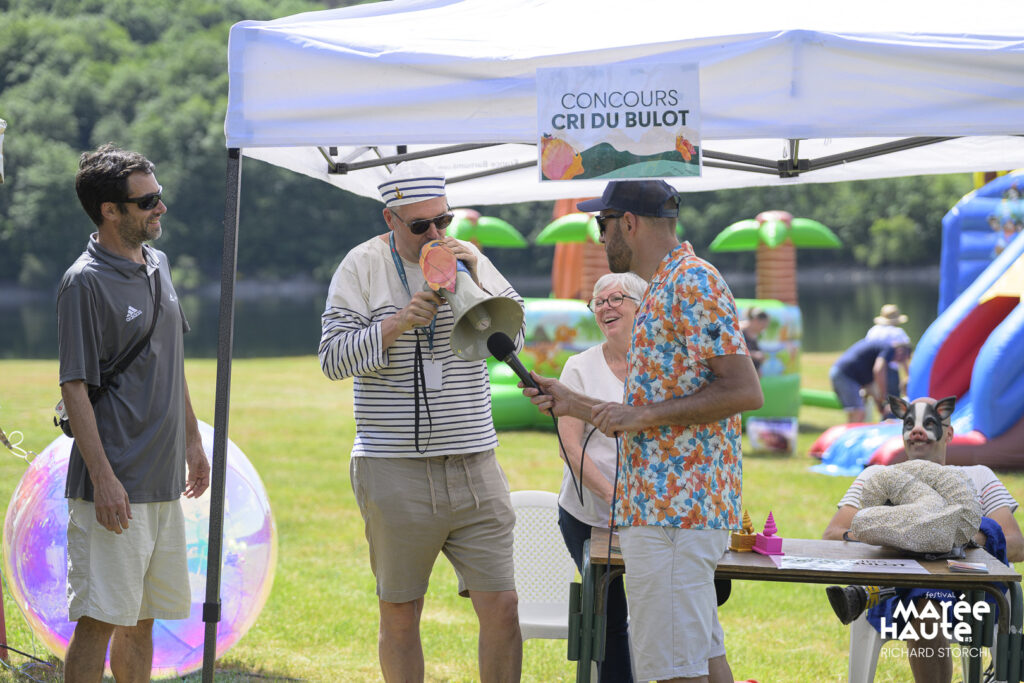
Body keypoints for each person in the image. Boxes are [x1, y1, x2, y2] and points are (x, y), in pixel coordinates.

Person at [523, 179, 764, 683]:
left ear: (628, 223)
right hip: (666, 512)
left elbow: (744, 390)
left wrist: (638, 417)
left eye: (602, 224)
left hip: (674, 514)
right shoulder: (662, 286)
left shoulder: (690, 282)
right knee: (702, 658)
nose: (600, 237)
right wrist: (574, 403)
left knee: (676, 670)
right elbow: (650, 407)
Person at [318, 160, 525, 682]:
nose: (435, 234)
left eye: (443, 220)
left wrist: (477, 276)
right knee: (401, 610)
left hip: (475, 459)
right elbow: (333, 360)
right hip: (394, 465)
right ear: (390, 220)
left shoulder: (468, 255)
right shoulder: (360, 265)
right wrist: (395, 324)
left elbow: (515, 335)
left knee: (503, 606)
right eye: (420, 225)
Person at [57, 144, 210, 682]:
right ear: (110, 210)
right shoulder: (83, 281)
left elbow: (170, 359)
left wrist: (193, 442)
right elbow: (74, 386)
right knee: (100, 620)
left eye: (158, 196)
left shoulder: (158, 265)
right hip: (116, 482)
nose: (160, 207)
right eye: (147, 201)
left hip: (163, 480)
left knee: (143, 621)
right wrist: (103, 479)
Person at [823, 395, 1024, 683]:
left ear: (949, 433)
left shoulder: (978, 476)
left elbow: (1015, 544)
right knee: (927, 605)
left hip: (971, 592)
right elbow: (833, 535)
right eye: (909, 424)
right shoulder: (879, 477)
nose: (917, 431)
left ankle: (871, 593)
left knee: (931, 596)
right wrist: (897, 535)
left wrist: (952, 537)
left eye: (929, 423)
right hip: (899, 589)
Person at [557, 271, 648, 683]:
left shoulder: (660, 366)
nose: (606, 307)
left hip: (652, 517)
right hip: (588, 515)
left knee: (659, 613)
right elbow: (569, 446)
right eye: (598, 301)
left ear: (642, 307)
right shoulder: (579, 368)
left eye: (616, 298)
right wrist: (614, 499)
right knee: (608, 622)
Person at [829, 337, 912, 423]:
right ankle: (851, 431)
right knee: (858, 412)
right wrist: (883, 396)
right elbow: (878, 370)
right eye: (901, 359)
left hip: (841, 372)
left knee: (856, 413)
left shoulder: (875, 353)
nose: (896, 361)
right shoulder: (889, 349)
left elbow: (871, 386)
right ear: (900, 351)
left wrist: (880, 404)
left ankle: (851, 429)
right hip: (846, 375)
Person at [865, 304, 911, 397]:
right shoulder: (898, 332)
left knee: (878, 397)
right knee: (893, 400)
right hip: (890, 371)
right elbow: (904, 356)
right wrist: (909, 375)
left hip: (872, 369)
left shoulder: (873, 331)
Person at [739, 307, 770, 374]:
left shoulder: (755, 334)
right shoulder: (739, 331)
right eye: (763, 325)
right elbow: (735, 351)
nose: (763, 328)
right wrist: (754, 355)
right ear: (755, 320)